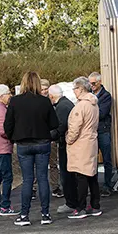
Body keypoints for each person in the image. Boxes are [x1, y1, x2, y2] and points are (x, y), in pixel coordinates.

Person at [4, 72, 59, 226]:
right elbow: (54, 123)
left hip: (23, 144)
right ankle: (45, 214)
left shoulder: (15, 101)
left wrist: (13, 137)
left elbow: (7, 125)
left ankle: (24, 215)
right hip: (42, 142)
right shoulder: (44, 101)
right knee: (43, 178)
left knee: (27, 180)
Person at [66, 77, 102, 219]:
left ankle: (80, 207)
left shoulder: (81, 106)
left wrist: (69, 139)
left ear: (80, 89)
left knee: (81, 176)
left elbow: (75, 128)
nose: (74, 92)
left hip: (81, 144)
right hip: (91, 141)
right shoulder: (94, 104)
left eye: (74, 89)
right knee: (91, 175)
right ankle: (95, 205)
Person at [0, 84, 18, 216]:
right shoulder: (1, 110)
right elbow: (3, 130)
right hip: (3, 147)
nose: (10, 96)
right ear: (1, 96)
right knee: (7, 177)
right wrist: (14, 135)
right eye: (8, 94)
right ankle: (5, 205)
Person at [48, 84, 77, 214]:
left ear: (51, 96)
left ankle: (71, 202)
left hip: (66, 144)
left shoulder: (62, 107)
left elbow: (61, 126)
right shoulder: (67, 104)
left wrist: (49, 136)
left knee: (66, 174)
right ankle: (72, 201)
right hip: (68, 144)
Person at [89, 72, 114, 196]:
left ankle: (108, 185)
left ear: (99, 82)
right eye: (90, 83)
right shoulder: (89, 95)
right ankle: (94, 187)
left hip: (103, 131)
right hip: (92, 131)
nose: (92, 85)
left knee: (107, 159)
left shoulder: (106, 96)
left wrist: (88, 111)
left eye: (94, 83)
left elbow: (102, 113)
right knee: (92, 160)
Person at [40, 78, 63, 199]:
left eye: (45, 89)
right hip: (40, 137)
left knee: (53, 163)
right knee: (37, 164)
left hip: (51, 137)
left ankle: (55, 186)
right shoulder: (37, 102)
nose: (44, 91)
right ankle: (34, 188)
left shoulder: (53, 102)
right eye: (42, 89)